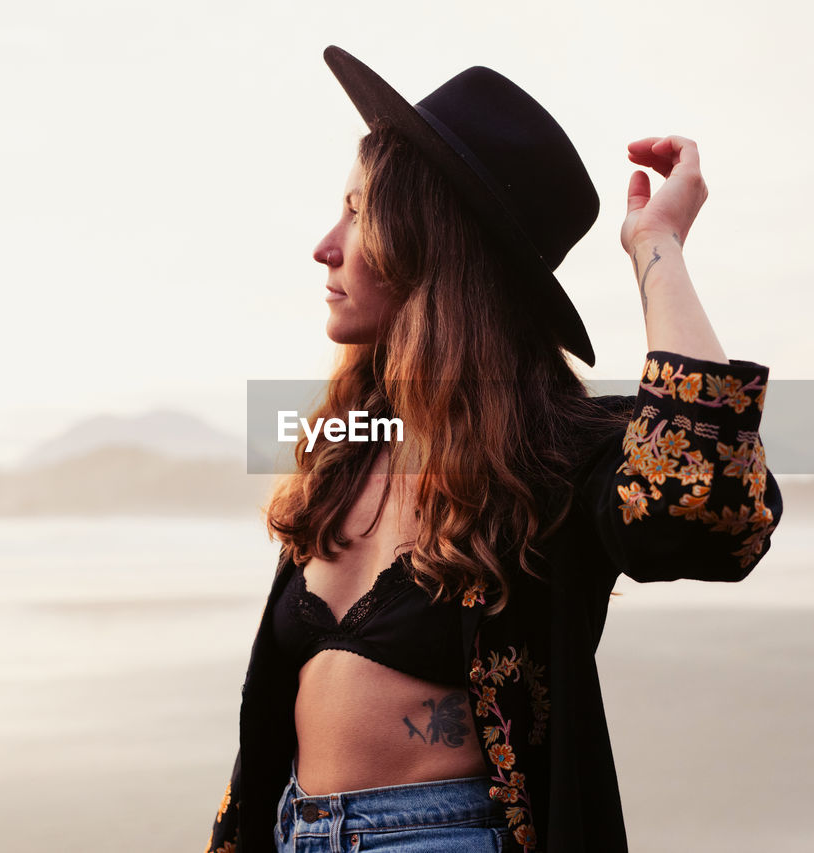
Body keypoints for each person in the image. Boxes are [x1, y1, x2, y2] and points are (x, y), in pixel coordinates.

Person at [204, 45, 782, 853]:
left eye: (359, 211)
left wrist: (659, 247)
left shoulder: (556, 452)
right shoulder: (347, 442)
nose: (325, 245)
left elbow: (711, 506)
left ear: (429, 242)